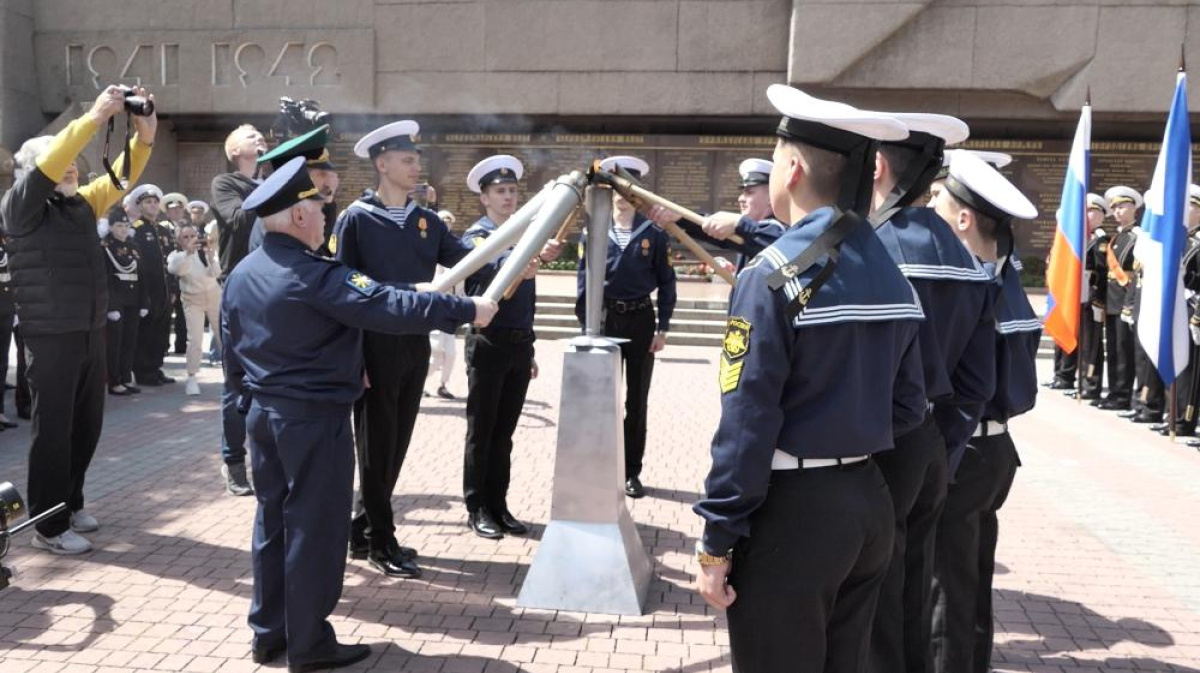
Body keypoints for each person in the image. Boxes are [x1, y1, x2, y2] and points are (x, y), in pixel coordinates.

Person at [222, 156, 497, 672]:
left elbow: (232, 351)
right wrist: (467, 311)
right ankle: (309, 643)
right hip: (312, 421)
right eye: (320, 207)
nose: (327, 215)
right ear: (299, 216)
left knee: (273, 525)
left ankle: (269, 633)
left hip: (264, 414)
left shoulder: (244, 272)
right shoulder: (313, 274)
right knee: (315, 529)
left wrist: (247, 406)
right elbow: (388, 307)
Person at [693, 84, 926, 673]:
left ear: (792, 167)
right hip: (867, 502)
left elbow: (748, 422)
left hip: (794, 514)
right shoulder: (888, 270)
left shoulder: (772, 275)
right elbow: (909, 406)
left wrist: (718, 539)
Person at [868, 112, 999, 673]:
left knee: (866, 597)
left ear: (876, 166)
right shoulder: (970, 262)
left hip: (868, 445)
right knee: (916, 588)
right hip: (928, 441)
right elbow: (976, 383)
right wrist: (944, 451)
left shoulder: (866, 249)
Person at [1, 84, 155, 554]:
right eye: (59, 161)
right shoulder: (20, 205)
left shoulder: (80, 203)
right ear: (33, 172)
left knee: (86, 425)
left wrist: (144, 133)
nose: (70, 166)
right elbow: (54, 158)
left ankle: (70, 502)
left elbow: (121, 177)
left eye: (71, 161)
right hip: (50, 336)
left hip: (89, 331)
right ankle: (48, 526)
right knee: (53, 432)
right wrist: (92, 118)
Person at [333, 120, 475, 578]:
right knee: (375, 446)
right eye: (408, 160)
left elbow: (468, 260)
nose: (417, 167)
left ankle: (362, 528)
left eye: (416, 159)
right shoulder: (356, 217)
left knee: (395, 445)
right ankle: (381, 540)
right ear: (382, 163)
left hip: (413, 345)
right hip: (373, 348)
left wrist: (519, 251)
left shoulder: (425, 220)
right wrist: (353, 359)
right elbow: (343, 288)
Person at [928, 149, 1041, 673]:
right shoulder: (1008, 279)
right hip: (995, 448)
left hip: (964, 448)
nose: (930, 211)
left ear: (965, 219)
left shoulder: (971, 286)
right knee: (972, 574)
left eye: (938, 202)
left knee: (945, 586)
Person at [460, 155, 563, 539]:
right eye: (499, 192)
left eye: (512, 191)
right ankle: (476, 507)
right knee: (481, 431)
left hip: (518, 345)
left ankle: (498, 503)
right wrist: (522, 264)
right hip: (489, 343)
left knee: (504, 433)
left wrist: (530, 349)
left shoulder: (526, 237)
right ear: (484, 198)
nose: (508, 198)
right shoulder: (476, 236)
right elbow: (484, 273)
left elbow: (525, 303)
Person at [576, 155, 677, 499]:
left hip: (640, 320)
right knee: (602, 398)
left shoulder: (654, 232)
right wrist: (584, 324)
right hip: (604, 318)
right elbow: (583, 280)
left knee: (636, 401)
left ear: (637, 194)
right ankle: (601, 468)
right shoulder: (593, 229)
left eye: (628, 189)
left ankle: (631, 471)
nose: (621, 196)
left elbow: (667, 282)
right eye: (615, 188)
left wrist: (662, 327)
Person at [211, 123, 268, 497]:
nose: (260, 139)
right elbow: (237, 219)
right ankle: (233, 461)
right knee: (237, 386)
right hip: (239, 290)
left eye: (262, 136)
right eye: (252, 137)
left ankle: (268, 460)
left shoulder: (271, 183)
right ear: (234, 150)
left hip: (271, 288)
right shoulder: (225, 183)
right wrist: (271, 193)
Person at [673, 158, 786, 270]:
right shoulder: (749, 235)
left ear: (771, 198)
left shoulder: (777, 230)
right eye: (742, 193)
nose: (741, 198)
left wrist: (739, 223)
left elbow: (773, 241)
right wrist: (679, 218)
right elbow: (713, 229)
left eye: (749, 193)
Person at [248, 124, 340, 254]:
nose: (329, 180)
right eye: (322, 174)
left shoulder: (307, 206)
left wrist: (328, 200)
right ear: (303, 176)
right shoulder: (283, 214)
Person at [1094, 186, 1142, 411]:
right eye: (1115, 208)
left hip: (1127, 299)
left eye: (1123, 206)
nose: (1118, 211)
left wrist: (1130, 304)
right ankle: (1113, 392)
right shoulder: (1114, 239)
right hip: (1112, 302)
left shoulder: (1138, 237)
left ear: (1135, 209)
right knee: (1112, 350)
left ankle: (1123, 396)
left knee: (1124, 352)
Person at [1162, 184, 1200, 438]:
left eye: (1189, 205)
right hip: (1180, 310)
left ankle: (1186, 418)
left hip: (1193, 311)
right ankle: (1175, 416)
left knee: (1191, 370)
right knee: (1178, 365)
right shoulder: (1183, 240)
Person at [129, 183, 177, 387]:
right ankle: (143, 371)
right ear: (139, 206)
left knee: (161, 331)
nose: (153, 205)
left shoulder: (163, 230)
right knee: (146, 332)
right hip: (148, 290)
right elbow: (138, 264)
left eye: (156, 202)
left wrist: (174, 288)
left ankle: (156, 367)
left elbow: (172, 261)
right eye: (148, 202)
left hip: (165, 291)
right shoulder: (136, 230)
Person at [167, 223, 222, 395]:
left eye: (193, 235)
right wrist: (188, 253)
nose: (191, 239)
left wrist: (212, 258)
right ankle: (191, 376)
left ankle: (232, 373)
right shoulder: (176, 256)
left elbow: (216, 274)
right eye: (186, 237)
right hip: (193, 300)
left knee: (223, 335)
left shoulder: (206, 252)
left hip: (214, 297)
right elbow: (176, 269)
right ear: (179, 241)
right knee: (195, 339)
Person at [103, 216, 149, 395]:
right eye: (119, 225)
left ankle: (125, 377)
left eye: (126, 225)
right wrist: (111, 306)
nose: (123, 229)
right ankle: (114, 382)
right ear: (111, 227)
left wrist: (144, 301)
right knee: (115, 343)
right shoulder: (106, 247)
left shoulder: (134, 247)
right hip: (117, 302)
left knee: (130, 342)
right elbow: (106, 278)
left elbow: (142, 276)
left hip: (133, 301)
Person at [0, 232, 17, 429]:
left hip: (5, 309)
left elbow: (12, 279)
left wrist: (13, 308)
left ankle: (1, 411)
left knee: (2, 363)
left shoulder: (6, 245)